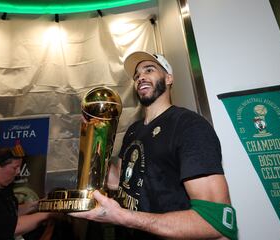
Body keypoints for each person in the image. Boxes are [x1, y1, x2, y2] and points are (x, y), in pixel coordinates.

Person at [69, 51, 238, 239]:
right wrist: (95, 134)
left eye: (149, 70)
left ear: (168, 78)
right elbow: (120, 181)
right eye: (137, 75)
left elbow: (215, 221)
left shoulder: (188, 125)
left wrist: (125, 218)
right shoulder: (134, 130)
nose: (141, 77)